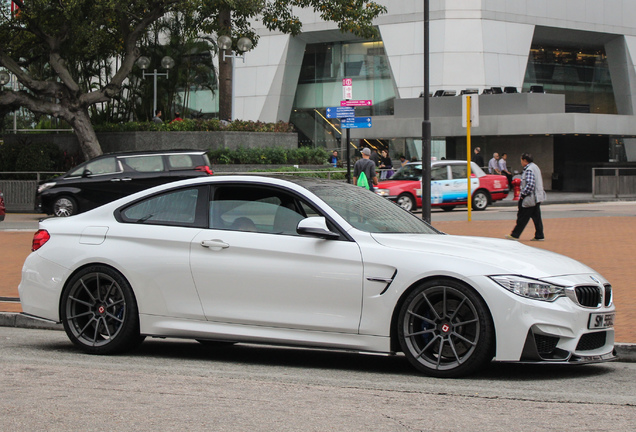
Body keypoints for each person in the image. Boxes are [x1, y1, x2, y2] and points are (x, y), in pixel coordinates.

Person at [506, 153, 546, 241]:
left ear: (524, 160)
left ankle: (515, 234)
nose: (520, 162)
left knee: (522, 217)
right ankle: (539, 235)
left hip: (530, 198)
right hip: (537, 197)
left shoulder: (529, 170)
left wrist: (523, 194)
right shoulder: (535, 167)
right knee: (536, 218)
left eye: (521, 160)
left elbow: (530, 184)